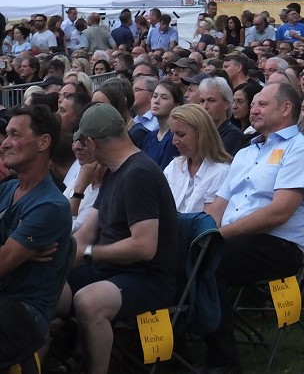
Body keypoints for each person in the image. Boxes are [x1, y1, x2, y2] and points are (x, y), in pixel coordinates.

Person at [202, 83, 304, 371]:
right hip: (236, 238)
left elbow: (279, 212)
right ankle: (179, 344)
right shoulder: (247, 151)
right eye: (252, 103)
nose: (251, 109)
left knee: (206, 261)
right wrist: (200, 231)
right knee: (182, 253)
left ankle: (223, 362)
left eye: (261, 104)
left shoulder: (301, 150)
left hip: (279, 244)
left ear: (286, 109)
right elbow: (220, 203)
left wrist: (216, 236)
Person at [62, 104, 179, 374]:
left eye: (81, 142)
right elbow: (87, 232)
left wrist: (89, 252)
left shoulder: (139, 174)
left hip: (149, 279)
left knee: (88, 301)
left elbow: (144, 247)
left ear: (91, 142)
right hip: (111, 272)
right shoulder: (116, 171)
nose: (78, 148)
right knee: (46, 286)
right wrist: (60, 257)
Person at [0, 104, 73, 363]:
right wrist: (15, 250)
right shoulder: (7, 189)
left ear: (43, 143)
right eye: (6, 135)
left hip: (22, 313)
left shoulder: (50, 205)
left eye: (15, 135)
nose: (5, 143)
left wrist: (11, 250)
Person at [162, 104, 232, 213]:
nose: (174, 141)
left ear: (202, 134)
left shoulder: (221, 173)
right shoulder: (174, 166)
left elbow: (207, 222)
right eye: (173, 134)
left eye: (181, 134)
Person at [141, 79, 183, 169]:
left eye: (164, 98)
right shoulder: (150, 137)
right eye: (155, 96)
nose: (156, 101)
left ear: (176, 105)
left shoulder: (175, 138)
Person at [199, 75, 246, 155]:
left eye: (211, 100)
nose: (205, 106)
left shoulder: (234, 135)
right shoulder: (199, 133)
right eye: (202, 101)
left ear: (226, 104)